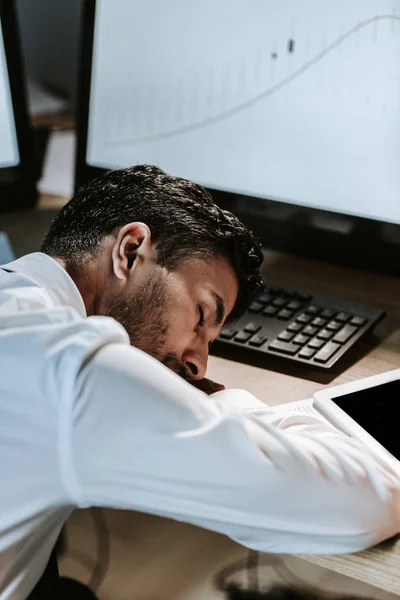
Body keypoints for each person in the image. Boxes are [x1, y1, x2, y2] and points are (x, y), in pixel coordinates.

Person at [0, 165, 399, 600]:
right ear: (131, 250)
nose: (198, 365)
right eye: (203, 315)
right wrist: (228, 404)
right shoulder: (73, 373)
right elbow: (369, 505)